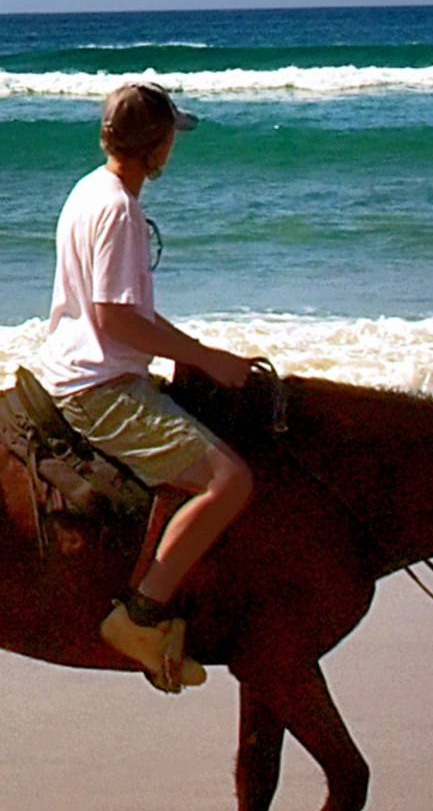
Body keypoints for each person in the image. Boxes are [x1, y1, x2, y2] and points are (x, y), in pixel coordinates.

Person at [23, 80, 263, 692]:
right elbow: (115, 317)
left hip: (81, 366)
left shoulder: (90, 189)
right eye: (170, 139)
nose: (172, 150)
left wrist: (200, 355)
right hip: (98, 387)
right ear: (156, 147)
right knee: (230, 480)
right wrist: (208, 360)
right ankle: (141, 614)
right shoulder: (119, 209)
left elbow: (124, 316)